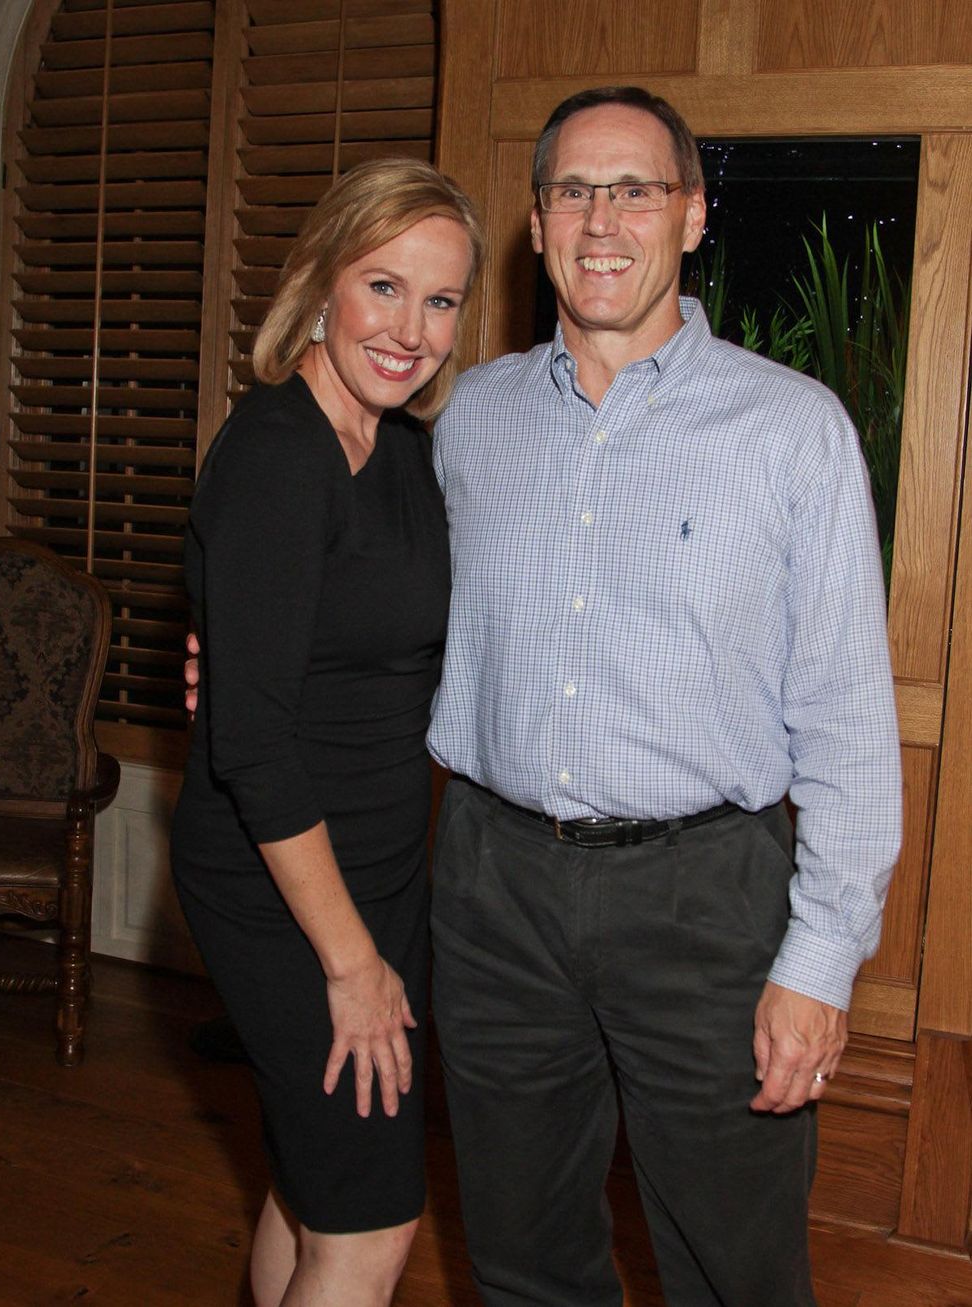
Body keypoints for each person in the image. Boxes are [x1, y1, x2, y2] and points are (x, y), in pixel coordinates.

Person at [427, 86, 902, 1306]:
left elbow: (846, 714)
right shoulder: (467, 419)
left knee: (733, 1267)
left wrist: (819, 960)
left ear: (691, 216)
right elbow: (378, 602)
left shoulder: (789, 429)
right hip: (492, 886)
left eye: (634, 188)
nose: (602, 220)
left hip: (704, 900)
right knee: (522, 1255)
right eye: (573, 190)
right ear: (534, 224)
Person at [171, 157, 483, 1307]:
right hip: (287, 887)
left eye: (440, 299)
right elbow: (251, 746)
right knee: (370, 1221)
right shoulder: (275, 456)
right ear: (319, 284)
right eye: (383, 286)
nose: (410, 329)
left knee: (311, 1186)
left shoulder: (400, 447)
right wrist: (351, 963)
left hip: (378, 865)